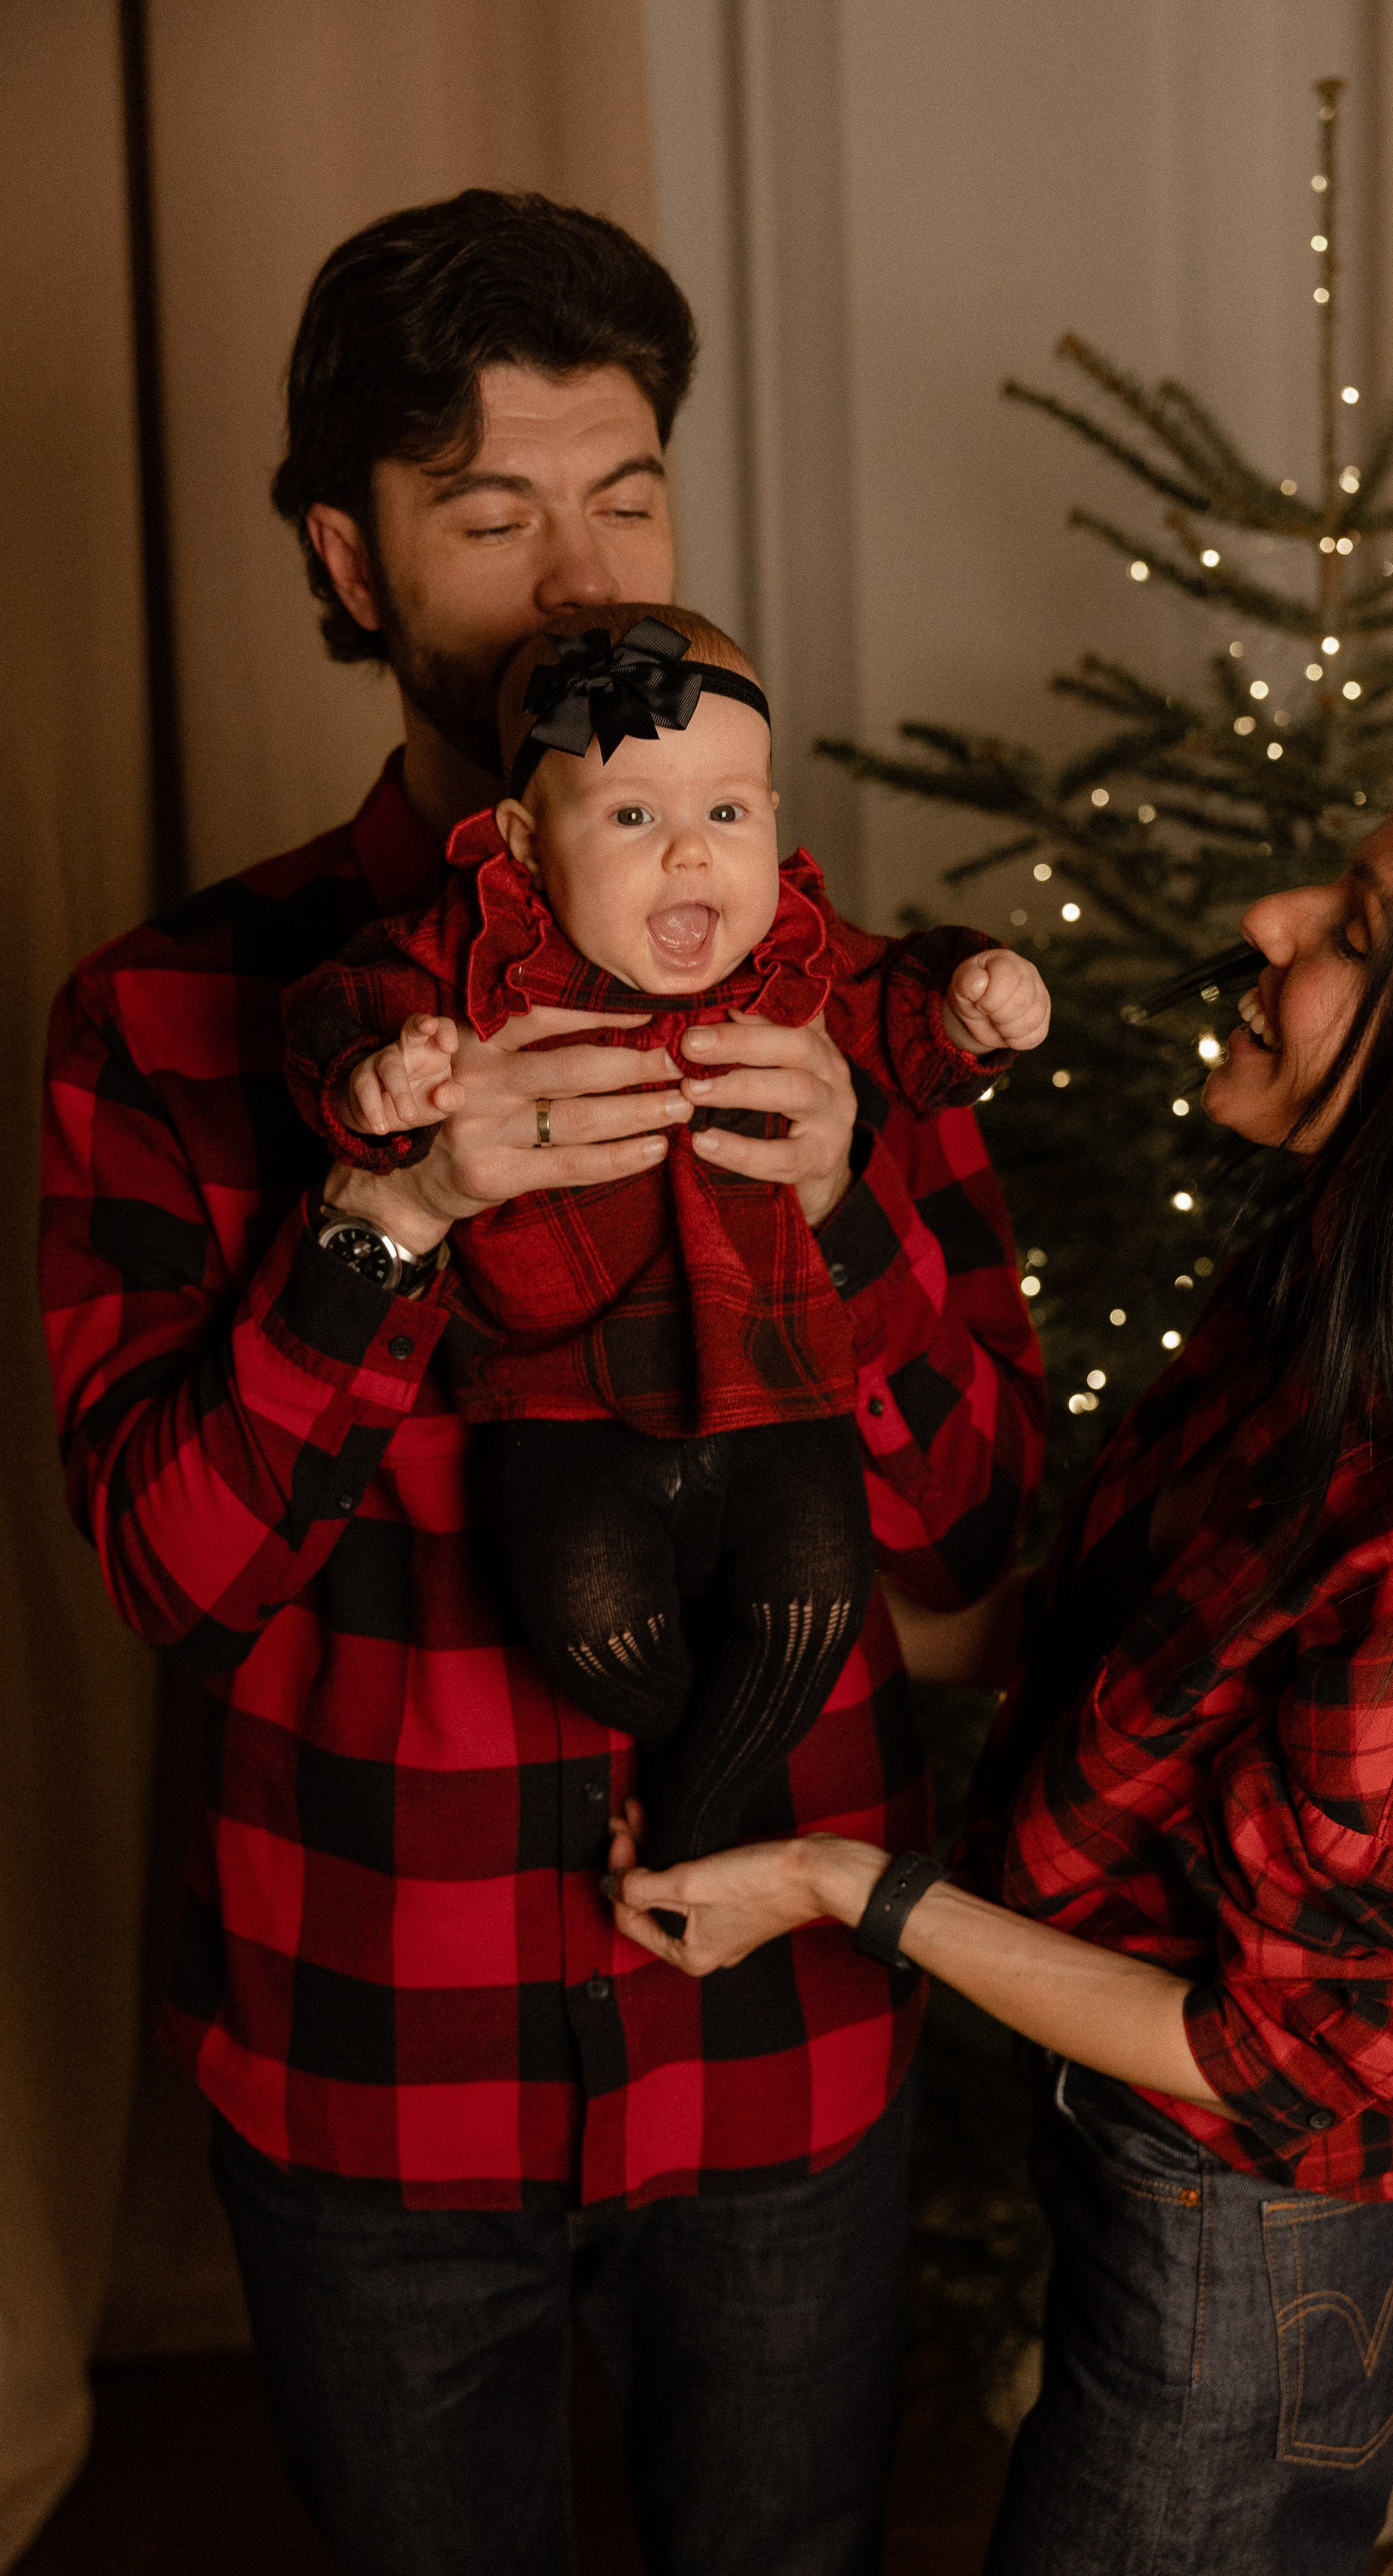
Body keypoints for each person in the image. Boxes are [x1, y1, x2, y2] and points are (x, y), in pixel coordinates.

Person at [38, 191, 1043, 2576]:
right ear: (354, 561)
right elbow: (170, 1579)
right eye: (493, 517)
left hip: (781, 2048)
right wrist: (382, 1229)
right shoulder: (183, 1015)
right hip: (380, 2060)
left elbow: (980, 1556)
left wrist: (844, 1215)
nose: (583, 585)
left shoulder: (821, 983)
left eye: (627, 499)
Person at [611, 752, 1393, 2575]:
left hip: (1245, 2258)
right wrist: (765, 1605)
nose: (1264, 926)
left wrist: (839, 1886)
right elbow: (1118, 1664)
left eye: (1352, 934)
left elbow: (1264, 2056)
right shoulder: (1327, 1327)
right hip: (1150, 2194)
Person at [283, 603, 1049, 1862]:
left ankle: (694, 1812)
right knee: (588, 1619)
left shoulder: (791, 953)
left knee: (813, 1595)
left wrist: (969, 1011)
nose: (692, 857)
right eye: (634, 817)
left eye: (729, 815)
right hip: (565, 1394)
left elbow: (896, 1002)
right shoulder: (473, 959)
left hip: (778, 1383)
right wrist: (379, 1084)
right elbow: (341, 1009)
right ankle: (689, 1750)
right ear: (525, 845)